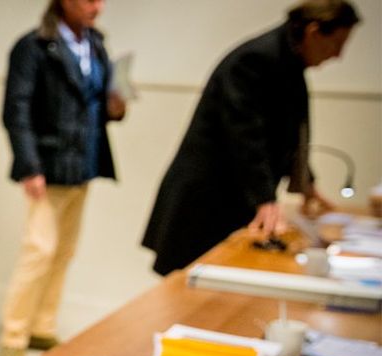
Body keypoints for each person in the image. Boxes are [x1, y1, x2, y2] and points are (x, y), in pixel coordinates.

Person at [141, 0, 359, 276]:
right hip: (207, 201)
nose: (338, 55)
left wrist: (306, 183)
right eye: (337, 44)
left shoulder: (287, 60)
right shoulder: (257, 59)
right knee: (189, 283)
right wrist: (265, 199)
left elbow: (288, 134)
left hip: (233, 197)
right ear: (314, 31)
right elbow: (244, 135)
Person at [0, 0, 126, 356]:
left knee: (64, 251)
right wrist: (29, 165)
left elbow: (98, 104)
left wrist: (116, 106)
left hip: (82, 164)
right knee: (39, 249)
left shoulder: (97, 44)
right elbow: (15, 110)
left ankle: (42, 325)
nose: (97, 8)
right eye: (88, 0)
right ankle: (14, 333)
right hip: (47, 166)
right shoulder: (33, 46)